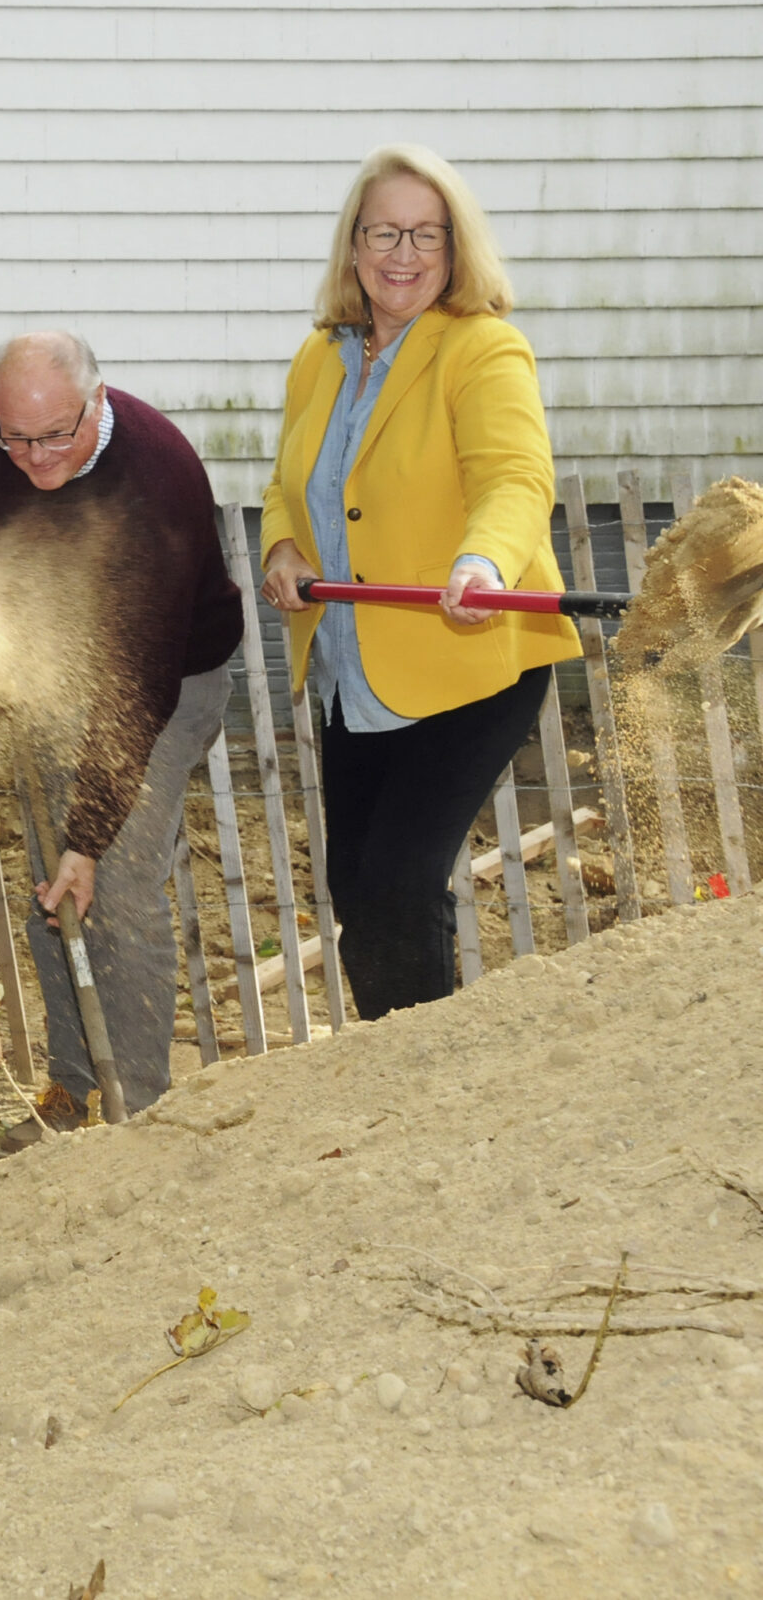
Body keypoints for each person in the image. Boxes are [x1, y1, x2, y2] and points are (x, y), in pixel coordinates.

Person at [256, 144, 581, 1020]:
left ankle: (429, 1079)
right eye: (384, 232)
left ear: (455, 248)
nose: (403, 254)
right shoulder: (320, 357)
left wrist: (481, 563)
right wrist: (283, 549)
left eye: (425, 235)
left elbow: (515, 480)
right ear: (353, 246)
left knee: (400, 881)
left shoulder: (483, 349)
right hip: (354, 664)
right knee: (356, 887)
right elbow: (285, 484)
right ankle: (394, 1064)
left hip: (468, 657)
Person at [0, 331, 243, 1127]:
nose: (35, 457)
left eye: (57, 434)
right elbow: (5, 562)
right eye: (16, 435)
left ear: (99, 399)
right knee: (53, 883)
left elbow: (137, 690)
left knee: (112, 882)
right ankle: (71, 1086)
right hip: (66, 669)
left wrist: (88, 836)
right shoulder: (4, 439)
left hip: (168, 678)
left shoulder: (155, 482)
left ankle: (142, 1114)